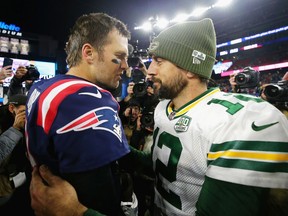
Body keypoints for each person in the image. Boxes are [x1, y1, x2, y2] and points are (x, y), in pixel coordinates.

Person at [30, 18, 288, 216]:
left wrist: (78, 213)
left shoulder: (243, 121)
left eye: (159, 60)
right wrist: (110, 144)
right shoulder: (166, 109)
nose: (149, 70)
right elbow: (164, 165)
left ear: (189, 68)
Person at [25, 12, 133, 216]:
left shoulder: (42, 86)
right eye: (119, 57)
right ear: (89, 53)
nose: (125, 67)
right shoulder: (87, 101)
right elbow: (102, 202)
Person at [0, 94, 33, 214]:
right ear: (11, 108)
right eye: (23, 111)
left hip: (20, 178)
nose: (26, 115)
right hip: (3, 187)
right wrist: (14, 129)